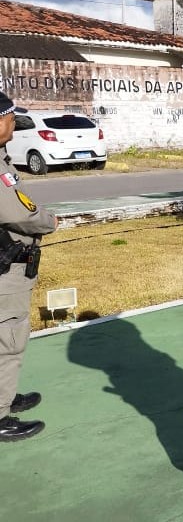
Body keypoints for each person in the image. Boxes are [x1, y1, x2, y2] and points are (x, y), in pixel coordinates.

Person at [0, 91, 56, 443]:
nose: (13, 124)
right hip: (6, 274)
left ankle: (5, 394)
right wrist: (49, 220)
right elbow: (22, 214)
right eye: (9, 118)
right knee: (9, 338)